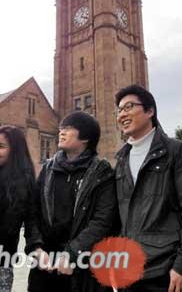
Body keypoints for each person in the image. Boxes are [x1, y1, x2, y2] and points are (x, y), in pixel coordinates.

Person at [114, 85, 182, 292]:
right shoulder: (120, 159)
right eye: (119, 110)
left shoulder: (178, 151)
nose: (122, 114)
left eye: (129, 107)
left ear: (150, 111)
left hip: (164, 271)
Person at [27, 111, 117, 292]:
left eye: (68, 129)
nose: (61, 132)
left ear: (85, 138)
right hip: (45, 264)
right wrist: (36, 247)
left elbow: (102, 220)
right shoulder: (48, 169)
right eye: (61, 128)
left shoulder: (101, 173)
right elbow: (32, 212)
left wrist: (72, 253)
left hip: (83, 266)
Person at [0, 125, 39, 292]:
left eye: (1, 146)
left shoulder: (25, 182)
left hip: (2, 258)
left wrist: (36, 246)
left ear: (15, 151)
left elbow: (31, 219)